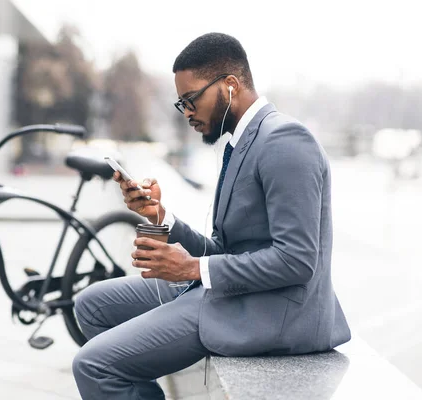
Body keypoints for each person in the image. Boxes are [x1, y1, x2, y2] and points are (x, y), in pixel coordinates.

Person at [72, 32, 351, 400]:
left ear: (230, 85)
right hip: (233, 292)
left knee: (93, 365)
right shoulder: (241, 142)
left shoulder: (285, 141)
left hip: (271, 313)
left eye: (190, 99)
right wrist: (161, 218)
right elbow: (226, 249)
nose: (186, 112)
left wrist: (191, 269)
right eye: (180, 103)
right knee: (90, 306)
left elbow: (297, 261)